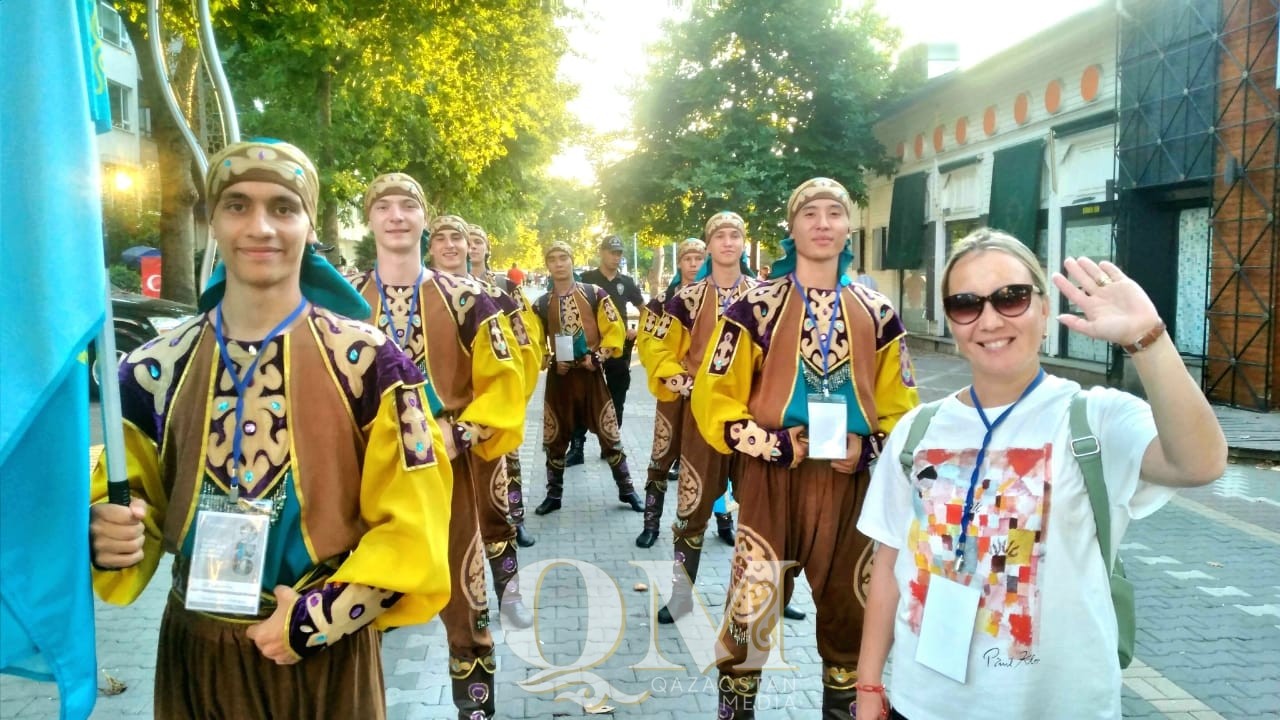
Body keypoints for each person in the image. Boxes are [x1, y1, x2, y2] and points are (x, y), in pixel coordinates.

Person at [87, 141, 453, 719]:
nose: (260, 226)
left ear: (310, 225)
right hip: (196, 652)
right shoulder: (152, 370)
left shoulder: (372, 364)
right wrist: (109, 537)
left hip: (323, 658)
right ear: (212, 220)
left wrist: (319, 620)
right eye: (237, 205)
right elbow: (129, 505)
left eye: (283, 207)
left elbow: (418, 526)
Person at [854, 229, 1226, 720]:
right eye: (967, 304)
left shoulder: (1095, 417)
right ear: (952, 321)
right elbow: (888, 563)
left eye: (1011, 297)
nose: (989, 319)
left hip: (1058, 706)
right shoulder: (916, 431)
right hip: (924, 704)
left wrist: (1148, 340)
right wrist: (868, 684)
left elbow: (1200, 463)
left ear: (1044, 309)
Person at [691, 178, 920, 719]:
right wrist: (771, 444)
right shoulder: (756, 306)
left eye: (834, 213)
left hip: (853, 487)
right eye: (810, 213)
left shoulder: (879, 310)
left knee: (850, 612)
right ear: (791, 229)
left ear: (848, 229)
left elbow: (904, 409)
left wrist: (868, 450)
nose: (822, 223)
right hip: (773, 482)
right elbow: (714, 396)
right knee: (752, 610)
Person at [352, 190, 526, 717]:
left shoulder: (469, 297)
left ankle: (476, 710)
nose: (397, 216)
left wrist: (464, 431)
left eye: (408, 205)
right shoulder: (343, 301)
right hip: (367, 481)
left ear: (423, 219)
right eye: (384, 206)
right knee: (356, 602)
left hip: (449, 474)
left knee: (467, 601)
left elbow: (505, 381)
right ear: (370, 219)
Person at [533, 241, 643, 515]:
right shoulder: (542, 303)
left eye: (563, 258)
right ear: (547, 265)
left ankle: (627, 490)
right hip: (560, 382)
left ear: (572, 260)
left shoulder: (595, 293)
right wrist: (549, 361)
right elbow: (532, 341)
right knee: (555, 437)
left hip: (592, 378)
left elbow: (614, 328)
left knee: (610, 432)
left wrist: (598, 357)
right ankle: (554, 495)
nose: (559, 263)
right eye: (553, 259)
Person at [469, 223, 542, 549]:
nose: (470, 246)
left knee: (508, 458)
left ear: (487, 248)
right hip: (453, 396)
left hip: (496, 390)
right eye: (464, 240)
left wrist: (516, 389)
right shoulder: (434, 288)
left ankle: (515, 519)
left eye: (477, 240)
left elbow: (526, 339)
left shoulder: (503, 288)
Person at [635, 237, 705, 548]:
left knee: (713, 459)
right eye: (688, 258)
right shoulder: (663, 302)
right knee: (661, 456)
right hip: (673, 393)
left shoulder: (723, 301)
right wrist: (673, 375)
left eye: (700, 258)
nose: (694, 264)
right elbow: (648, 342)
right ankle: (651, 523)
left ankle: (723, 521)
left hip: (711, 395)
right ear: (679, 263)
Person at [570, 235, 647, 465]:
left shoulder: (627, 282)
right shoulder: (586, 279)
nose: (616, 257)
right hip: (590, 346)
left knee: (617, 395)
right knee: (582, 395)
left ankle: (610, 443)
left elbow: (644, 310)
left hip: (618, 347)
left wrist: (638, 332)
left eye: (619, 253)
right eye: (612, 252)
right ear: (601, 252)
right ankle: (577, 447)